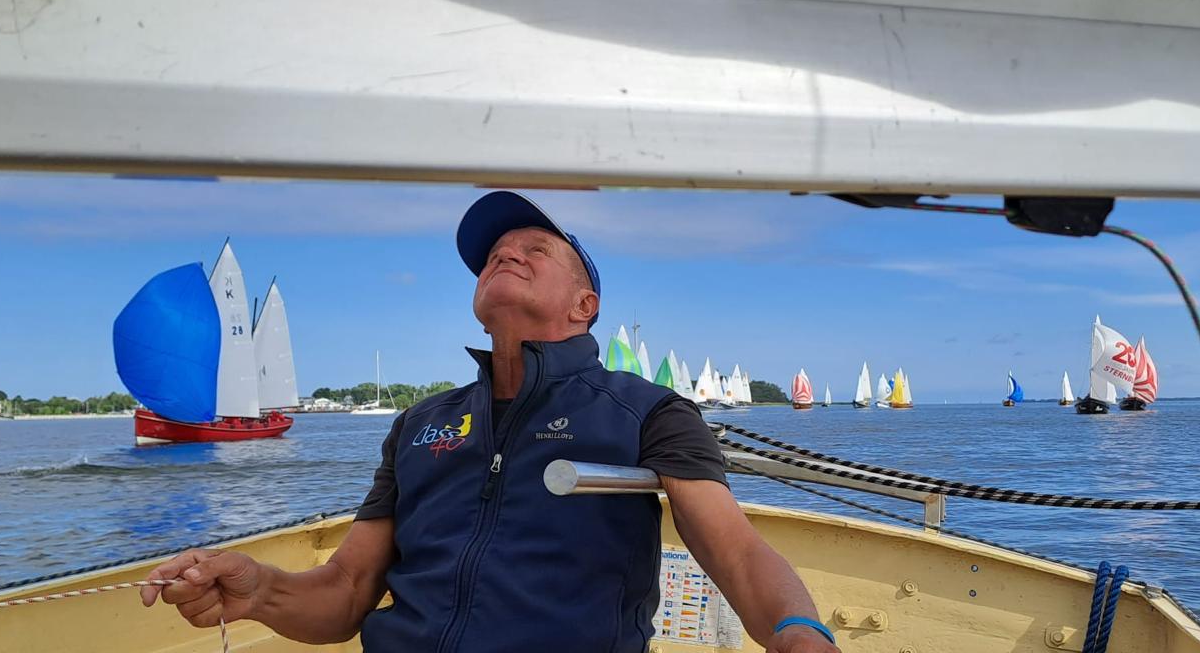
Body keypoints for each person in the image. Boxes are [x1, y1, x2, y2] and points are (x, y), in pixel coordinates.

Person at [142, 191, 838, 653]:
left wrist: (798, 631)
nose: (506, 251)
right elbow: (348, 588)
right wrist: (260, 590)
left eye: (536, 249)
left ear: (585, 305)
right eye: (496, 252)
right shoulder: (419, 424)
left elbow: (736, 552)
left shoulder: (649, 411)